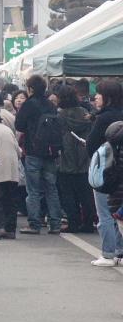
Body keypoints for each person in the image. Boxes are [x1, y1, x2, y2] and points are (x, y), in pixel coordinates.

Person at [15, 74, 63, 235]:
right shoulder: (50, 104)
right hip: (51, 152)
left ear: (30, 89)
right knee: (52, 188)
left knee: (33, 190)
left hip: (33, 152)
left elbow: (19, 125)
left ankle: (34, 224)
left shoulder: (29, 104)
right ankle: (55, 223)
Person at [86, 81, 123, 266]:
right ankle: (120, 252)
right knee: (119, 213)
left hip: (106, 171)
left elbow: (91, 145)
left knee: (105, 213)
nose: (96, 97)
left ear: (107, 97)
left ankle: (108, 253)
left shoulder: (103, 118)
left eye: (99, 94)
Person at [56, 85, 95, 233]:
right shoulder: (85, 114)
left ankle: (73, 223)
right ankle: (88, 223)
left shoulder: (60, 116)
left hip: (66, 159)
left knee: (68, 194)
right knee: (86, 194)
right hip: (85, 158)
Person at [0, 103, 21, 240]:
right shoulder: (6, 129)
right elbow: (18, 151)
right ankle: (10, 229)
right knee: (11, 200)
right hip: (12, 170)